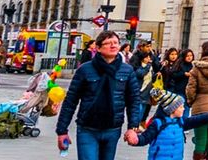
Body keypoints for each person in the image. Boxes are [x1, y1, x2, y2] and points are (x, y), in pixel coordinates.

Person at [56, 30, 144, 160]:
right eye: (108, 43)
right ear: (98, 48)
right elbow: (70, 101)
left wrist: (132, 127)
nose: (113, 46)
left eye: (115, 43)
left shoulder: (127, 70)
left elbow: (134, 101)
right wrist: (62, 131)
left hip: (112, 129)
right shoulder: (85, 69)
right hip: (87, 128)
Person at [131, 87, 208, 160]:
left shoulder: (180, 122)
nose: (184, 108)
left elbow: (199, 119)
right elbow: (145, 138)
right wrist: (136, 139)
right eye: (181, 106)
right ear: (172, 109)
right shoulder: (158, 123)